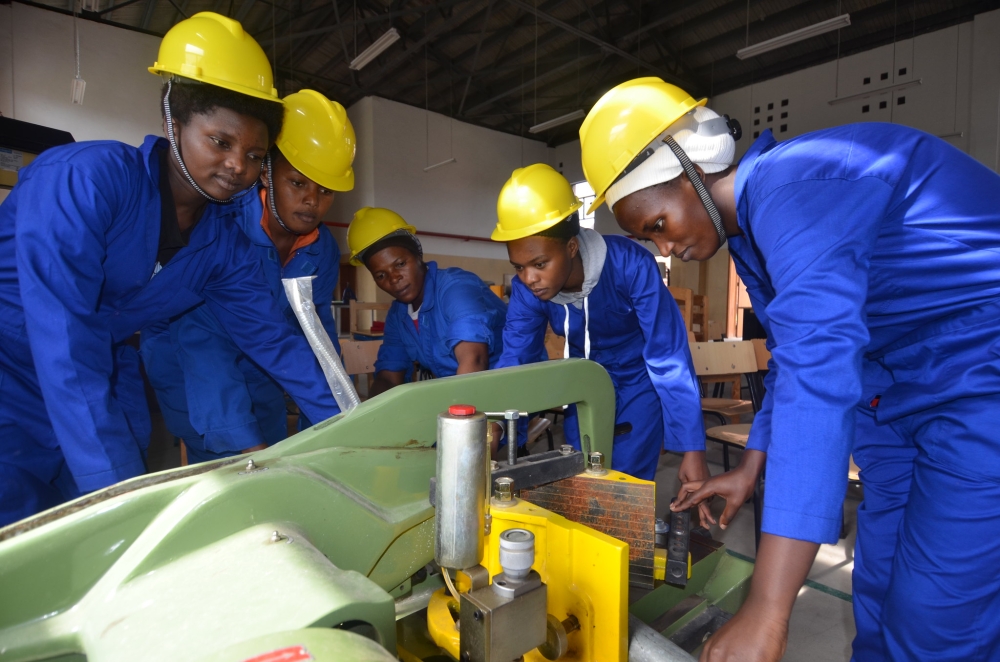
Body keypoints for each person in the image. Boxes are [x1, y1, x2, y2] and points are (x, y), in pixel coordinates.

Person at [579, 77, 1000, 661]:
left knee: (936, 619)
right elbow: (790, 364)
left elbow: (817, 376)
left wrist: (768, 608)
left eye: (657, 226)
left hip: (981, 375)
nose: (663, 249)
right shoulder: (752, 235)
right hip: (901, 390)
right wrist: (751, 468)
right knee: (877, 594)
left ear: (690, 169)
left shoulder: (794, 188)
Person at [0, 13, 340, 527]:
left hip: (105, 371)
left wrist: (350, 427)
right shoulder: (83, 182)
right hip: (14, 375)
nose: (237, 167)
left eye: (253, 154)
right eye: (220, 143)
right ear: (173, 122)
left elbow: (276, 342)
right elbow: (65, 342)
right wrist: (116, 501)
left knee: (99, 531)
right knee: (35, 534)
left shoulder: (224, 244)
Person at [140, 89, 354, 463]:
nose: (312, 201)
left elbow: (318, 335)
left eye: (326, 191)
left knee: (282, 456)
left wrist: (339, 418)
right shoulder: (221, 225)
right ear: (267, 172)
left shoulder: (322, 250)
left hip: (268, 365)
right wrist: (240, 439)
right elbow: (200, 338)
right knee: (233, 464)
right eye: (298, 183)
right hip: (189, 361)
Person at [490, 163, 710, 492]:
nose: (529, 278)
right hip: (584, 384)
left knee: (627, 488)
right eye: (518, 267)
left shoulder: (631, 265)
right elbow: (516, 358)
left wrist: (693, 448)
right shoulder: (527, 290)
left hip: (639, 382)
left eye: (539, 264)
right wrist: (493, 422)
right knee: (585, 481)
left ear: (571, 248)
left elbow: (668, 354)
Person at [346, 207, 507, 397]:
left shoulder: (456, 289)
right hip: (458, 394)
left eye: (400, 264)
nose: (394, 278)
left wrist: (454, 420)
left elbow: (475, 360)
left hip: (507, 389)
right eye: (381, 275)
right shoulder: (398, 316)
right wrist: (369, 418)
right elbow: (389, 377)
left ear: (418, 255)